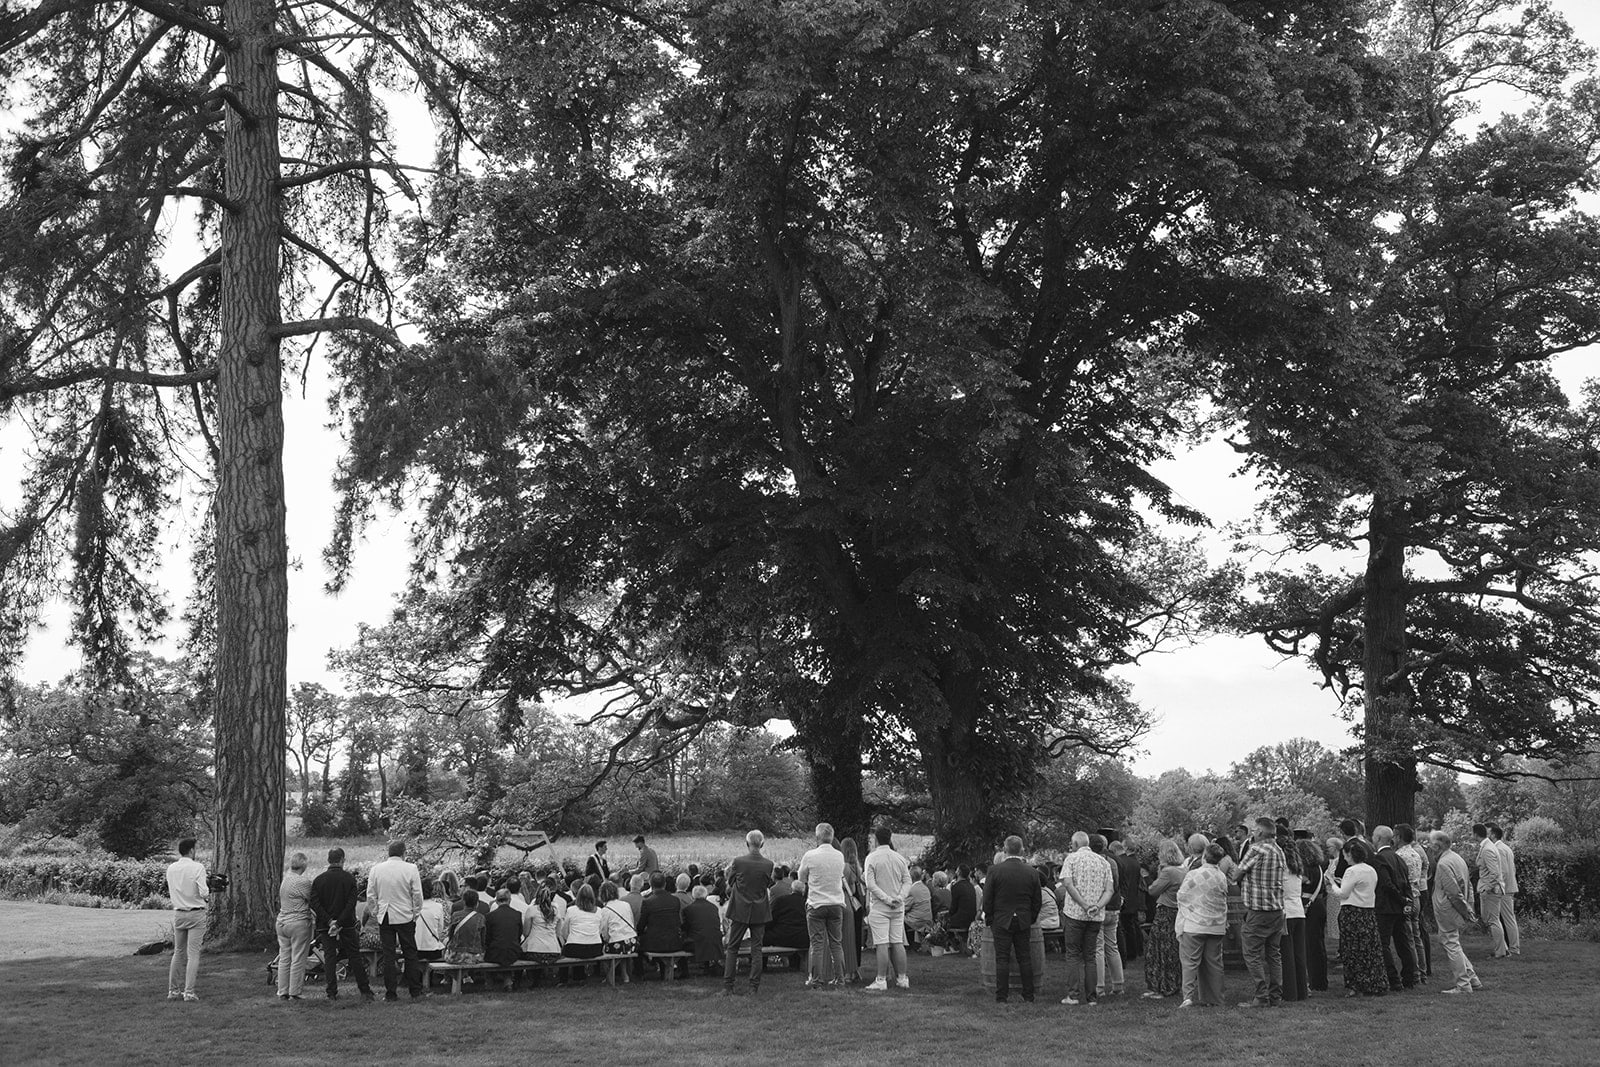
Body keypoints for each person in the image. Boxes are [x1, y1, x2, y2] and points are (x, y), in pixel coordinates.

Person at [1230, 817, 1286, 1008]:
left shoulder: (1256, 849)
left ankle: (1261, 996)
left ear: (1261, 832)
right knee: (1274, 954)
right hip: (1277, 909)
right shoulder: (1279, 851)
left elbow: (1237, 874)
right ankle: (1276, 996)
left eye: (1254, 830)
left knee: (1252, 953)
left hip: (1258, 910)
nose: (1252, 833)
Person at [982, 834, 1042, 1004]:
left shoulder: (994, 871)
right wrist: (1031, 917)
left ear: (1005, 849)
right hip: (1023, 919)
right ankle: (1028, 995)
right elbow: (1037, 899)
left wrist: (991, 918)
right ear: (1022, 849)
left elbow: (988, 898)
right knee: (1025, 957)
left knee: (1002, 958)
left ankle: (1002, 996)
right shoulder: (1031, 872)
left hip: (1001, 919)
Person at [309, 847, 374, 1001]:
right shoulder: (349, 879)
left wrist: (329, 921)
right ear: (342, 860)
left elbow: (315, 903)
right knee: (354, 955)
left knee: (330, 957)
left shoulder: (319, 880)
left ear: (328, 860)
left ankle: (331, 991)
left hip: (326, 925)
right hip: (347, 924)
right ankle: (364, 989)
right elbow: (351, 903)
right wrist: (339, 922)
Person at [1058, 830, 1114, 1006]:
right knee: (1090, 955)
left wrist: (1083, 904)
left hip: (1075, 913)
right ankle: (1092, 997)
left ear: (1075, 844)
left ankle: (1073, 995)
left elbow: (1067, 883)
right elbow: (1109, 890)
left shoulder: (1071, 859)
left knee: (1073, 954)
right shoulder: (1103, 862)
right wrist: (1097, 906)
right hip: (1095, 916)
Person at [367, 839, 427, 1001]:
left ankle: (391, 992)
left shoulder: (376, 869)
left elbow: (371, 894)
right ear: (404, 853)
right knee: (410, 953)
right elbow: (417, 894)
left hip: (385, 914)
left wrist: (375, 912)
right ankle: (415, 989)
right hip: (405, 914)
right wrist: (416, 913)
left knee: (388, 955)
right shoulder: (411, 868)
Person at [1328, 840, 1388, 997]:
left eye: (1345, 856)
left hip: (1352, 913)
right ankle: (1373, 981)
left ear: (1349, 855)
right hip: (1367, 912)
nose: (1345, 859)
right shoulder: (1370, 870)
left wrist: (1332, 883)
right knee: (1369, 949)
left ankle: (1356, 984)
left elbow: (1343, 894)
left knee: (1352, 949)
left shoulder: (1351, 871)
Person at [1174, 843, 1230, 1008]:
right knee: (1214, 962)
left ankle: (1188, 996)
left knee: (1190, 962)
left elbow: (1182, 895)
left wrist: (1193, 908)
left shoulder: (1194, 874)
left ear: (1205, 856)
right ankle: (1215, 998)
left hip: (1194, 923)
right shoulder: (1222, 876)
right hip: (1216, 924)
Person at [721, 830, 776, 995]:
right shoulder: (769, 864)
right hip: (759, 910)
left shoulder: (738, 862)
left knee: (733, 948)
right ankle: (753, 987)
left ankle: (728, 986)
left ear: (747, 844)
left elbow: (730, 882)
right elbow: (769, 884)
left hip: (740, 909)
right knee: (756, 949)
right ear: (762, 844)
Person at [1430, 830, 1482, 995]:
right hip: (1455, 908)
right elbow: (1468, 885)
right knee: (1452, 942)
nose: (1431, 850)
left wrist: (1466, 911)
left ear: (1438, 846)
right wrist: (1469, 907)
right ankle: (1472, 979)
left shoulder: (1444, 863)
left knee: (1451, 943)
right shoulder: (1457, 858)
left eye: (1432, 847)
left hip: (1448, 910)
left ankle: (1463, 984)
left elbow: (1453, 892)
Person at [797, 822, 848, 987]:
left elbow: (801, 878)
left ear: (817, 837)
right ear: (832, 837)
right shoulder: (839, 856)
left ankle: (816, 979)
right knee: (836, 943)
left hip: (816, 903)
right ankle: (840, 979)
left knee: (817, 944)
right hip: (836, 903)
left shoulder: (810, 855)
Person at [862, 825, 913, 991]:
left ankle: (881, 979)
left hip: (880, 906)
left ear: (876, 839)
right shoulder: (899, 858)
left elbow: (870, 884)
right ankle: (902, 978)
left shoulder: (872, 857)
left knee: (882, 943)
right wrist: (899, 897)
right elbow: (907, 881)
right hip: (897, 906)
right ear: (890, 838)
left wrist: (887, 899)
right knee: (897, 941)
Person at [1142, 838, 1192, 999]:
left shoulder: (1168, 872)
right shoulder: (1183, 870)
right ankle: (1172, 983)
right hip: (1178, 912)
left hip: (1165, 912)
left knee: (1159, 950)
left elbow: (1153, 890)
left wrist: (1158, 872)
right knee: (1172, 949)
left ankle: (1162, 986)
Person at [1371, 825, 1418, 991]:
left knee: (1383, 944)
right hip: (1399, 907)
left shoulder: (1380, 859)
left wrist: (1400, 898)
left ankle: (1393, 978)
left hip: (1386, 907)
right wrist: (1406, 901)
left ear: (1377, 839)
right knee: (1403, 942)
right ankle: (1409, 977)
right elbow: (1406, 882)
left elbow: (1386, 884)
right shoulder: (1398, 858)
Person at [165, 837, 209, 1002]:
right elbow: (204, 892)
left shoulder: (171, 868)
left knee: (178, 952)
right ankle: (189, 992)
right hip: (195, 912)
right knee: (193, 954)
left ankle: (173, 991)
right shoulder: (198, 867)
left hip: (179, 912)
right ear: (191, 850)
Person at [273, 851, 315, 1001]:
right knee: (298, 958)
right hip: (298, 922)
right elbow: (312, 898)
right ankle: (295, 992)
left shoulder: (285, 880)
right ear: (304, 865)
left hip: (282, 922)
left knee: (285, 957)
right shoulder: (302, 882)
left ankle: (282, 991)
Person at [1395, 823, 1432, 980]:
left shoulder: (1399, 856)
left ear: (1399, 837)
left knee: (1408, 937)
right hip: (1416, 896)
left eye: (1395, 836)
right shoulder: (1416, 854)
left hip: (1406, 899)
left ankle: (1414, 972)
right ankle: (1422, 971)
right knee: (1417, 937)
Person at [1089, 834, 1124, 998]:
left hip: (1101, 907)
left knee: (1098, 948)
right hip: (1114, 906)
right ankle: (1118, 984)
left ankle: (1099, 986)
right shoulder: (1112, 862)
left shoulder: (1093, 863)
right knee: (1112, 946)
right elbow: (1115, 885)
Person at [639, 871, 686, 977]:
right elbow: (678, 921)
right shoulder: (675, 900)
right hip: (674, 942)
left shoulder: (648, 902)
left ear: (651, 885)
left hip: (654, 943)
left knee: (639, 942)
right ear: (664, 884)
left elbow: (641, 925)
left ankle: (640, 972)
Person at [1279, 833, 1308, 1002]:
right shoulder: (1297, 868)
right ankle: (1301, 990)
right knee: (1299, 953)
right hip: (1298, 911)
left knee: (1287, 954)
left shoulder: (1282, 868)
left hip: (1286, 912)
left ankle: (1289, 992)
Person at [1297, 838, 1328, 991]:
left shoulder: (1306, 869)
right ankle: (1320, 980)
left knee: (1310, 946)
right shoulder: (1318, 867)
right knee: (1318, 945)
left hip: (1309, 906)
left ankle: (1314, 981)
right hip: (1319, 905)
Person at [559, 884, 606, 982]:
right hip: (595, 948)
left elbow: (564, 931)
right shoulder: (599, 911)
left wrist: (570, 938)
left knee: (567, 950)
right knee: (578, 945)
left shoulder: (571, 910)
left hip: (575, 947)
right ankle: (579, 977)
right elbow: (600, 929)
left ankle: (563, 979)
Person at [1488, 824, 1521, 957]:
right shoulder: (1506, 848)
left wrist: (1498, 888)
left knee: (1507, 919)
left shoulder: (1498, 849)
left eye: (1488, 833)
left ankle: (1513, 948)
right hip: (1508, 887)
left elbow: (1503, 872)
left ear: (1493, 835)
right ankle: (1508, 947)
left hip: (1504, 889)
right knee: (1507, 919)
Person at [520, 884, 564, 981]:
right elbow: (558, 933)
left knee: (521, 953)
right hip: (553, 951)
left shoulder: (532, 910)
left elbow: (526, 933)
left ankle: (530, 979)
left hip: (534, 951)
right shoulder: (556, 912)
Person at [1111, 841, 1145, 962]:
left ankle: (1127, 953)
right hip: (1134, 898)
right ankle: (1136, 950)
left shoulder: (1120, 862)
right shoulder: (1134, 862)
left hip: (1124, 898)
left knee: (1124, 928)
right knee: (1132, 926)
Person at [682, 884, 724, 975]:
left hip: (697, 941)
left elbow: (685, 927)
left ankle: (683, 971)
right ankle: (710, 966)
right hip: (715, 940)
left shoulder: (688, 909)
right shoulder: (713, 908)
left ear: (693, 895)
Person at [841, 837, 866, 980]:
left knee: (847, 938)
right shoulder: (857, 866)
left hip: (849, 903)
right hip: (859, 905)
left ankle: (848, 971)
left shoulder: (844, 867)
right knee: (857, 937)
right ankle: (856, 969)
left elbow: (845, 887)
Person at [444, 888, 486, 965]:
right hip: (474, 956)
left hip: (455, 955)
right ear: (477, 903)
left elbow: (450, 935)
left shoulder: (456, 915)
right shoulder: (481, 917)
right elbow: (483, 939)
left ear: (464, 902)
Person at [414, 880, 449, 963]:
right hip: (433, 950)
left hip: (415, 949)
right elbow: (440, 929)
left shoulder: (413, 907)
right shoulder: (438, 907)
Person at [599, 880, 638, 955]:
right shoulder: (626, 904)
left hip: (616, 943)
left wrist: (607, 941)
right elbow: (632, 922)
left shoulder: (605, 910)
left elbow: (604, 932)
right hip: (632, 941)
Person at [904, 866, 935, 946]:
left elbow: (905, 908)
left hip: (917, 921)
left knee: (897, 917)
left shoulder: (911, 890)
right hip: (928, 919)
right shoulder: (925, 888)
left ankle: (904, 944)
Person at [945, 865, 978, 940]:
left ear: (959, 872)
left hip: (960, 920)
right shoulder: (971, 886)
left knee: (942, 921)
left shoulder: (956, 886)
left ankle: (949, 944)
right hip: (971, 918)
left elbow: (953, 907)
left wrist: (948, 916)